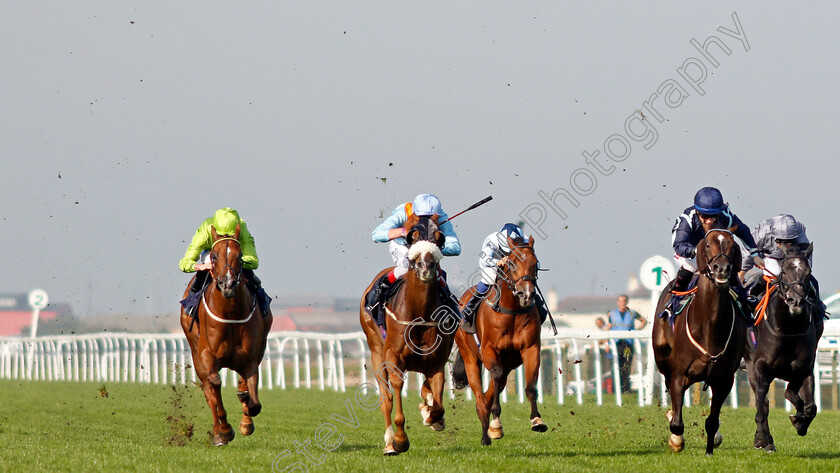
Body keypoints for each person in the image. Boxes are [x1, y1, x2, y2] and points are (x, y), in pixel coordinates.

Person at [366, 194, 461, 327]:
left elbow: (455, 248)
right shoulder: (404, 212)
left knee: (437, 273)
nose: (426, 221)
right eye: (421, 218)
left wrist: (430, 246)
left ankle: (450, 304)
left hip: (428, 251)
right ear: (414, 213)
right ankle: (378, 293)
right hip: (402, 246)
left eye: (431, 218)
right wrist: (404, 231)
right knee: (407, 266)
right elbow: (376, 235)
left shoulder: (442, 216)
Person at [666, 187, 761, 317]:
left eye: (713, 216)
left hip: (714, 254)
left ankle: (743, 301)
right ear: (698, 212)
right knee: (691, 265)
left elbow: (743, 231)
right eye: (705, 216)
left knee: (728, 266)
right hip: (689, 254)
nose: (709, 221)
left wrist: (755, 254)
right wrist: (696, 251)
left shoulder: (725, 216)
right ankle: (674, 299)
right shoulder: (687, 219)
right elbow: (679, 244)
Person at [179, 207, 271, 318]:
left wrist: (238, 261)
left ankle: (262, 303)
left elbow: (253, 261)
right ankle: (191, 303)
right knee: (211, 263)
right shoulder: (206, 230)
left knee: (245, 269)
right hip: (213, 254)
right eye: (222, 236)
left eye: (231, 236)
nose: (226, 238)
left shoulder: (242, 228)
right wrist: (201, 266)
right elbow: (184, 263)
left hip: (234, 253)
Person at [460, 223, 550, 334]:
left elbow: (534, 261)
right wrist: (498, 262)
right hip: (492, 262)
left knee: (527, 283)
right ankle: (469, 309)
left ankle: (539, 309)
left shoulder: (525, 241)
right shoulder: (492, 240)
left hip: (515, 266)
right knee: (489, 279)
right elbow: (484, 260)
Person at [739, 214, 823, 312]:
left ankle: (819, 309)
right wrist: (742, 272)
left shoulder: (799, 232)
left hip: (792, 258)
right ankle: (749, 303)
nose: (783, 245)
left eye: (789, 241)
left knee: (812, 281)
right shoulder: (762, 232)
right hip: (769, 256)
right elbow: (748, 251)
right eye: (779, 241)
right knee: (775, 272)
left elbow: (805, 257)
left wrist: (804, 272)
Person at [605, 295, 647, 393]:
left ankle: (625, 389)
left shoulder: (632, 313)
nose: (622, 303)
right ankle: (616, 390)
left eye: (624, 301)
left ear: (627, 302)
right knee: (616, 366)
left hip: (628, 344)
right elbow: (609, 327)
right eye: (620, 301)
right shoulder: (612, 313)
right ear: (617, 302)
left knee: (626, 366)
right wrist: (606, 342)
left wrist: (637, 331)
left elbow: (643, 321)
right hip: (616, 343)